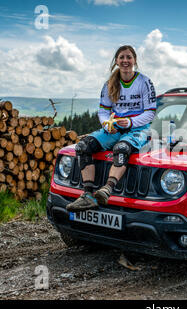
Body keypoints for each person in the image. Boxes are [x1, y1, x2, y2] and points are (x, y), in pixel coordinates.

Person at [66, 45, 157, 212]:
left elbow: (150, 113)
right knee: (83, 146)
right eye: (122, 57)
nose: (125, 61)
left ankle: (107, 189)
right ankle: (88, 195)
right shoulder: (109, 84)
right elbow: (103, 111)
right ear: (116, 61)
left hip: (137, 129)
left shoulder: (145, 82)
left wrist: (130, 122)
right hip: (114, 129)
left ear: (135, 60)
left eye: (129, 57)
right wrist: (107, 124)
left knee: (121, 148)